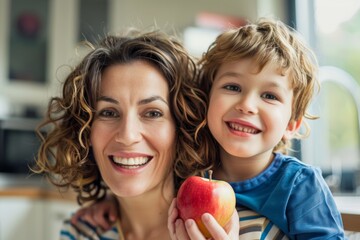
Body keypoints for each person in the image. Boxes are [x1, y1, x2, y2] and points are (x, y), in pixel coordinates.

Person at [34, 29, 240, 240]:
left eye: (152, 113)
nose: (128, 135)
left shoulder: (229, 231)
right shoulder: (80, 232)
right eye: (109, 112)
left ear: (182, 129)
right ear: (86, 131)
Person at [172, 17, 344, 239]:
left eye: (269, 96)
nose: (246, 105)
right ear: (208, 98)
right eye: (233, 87)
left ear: (292, 125)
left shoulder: (299, 186)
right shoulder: (189, 174)